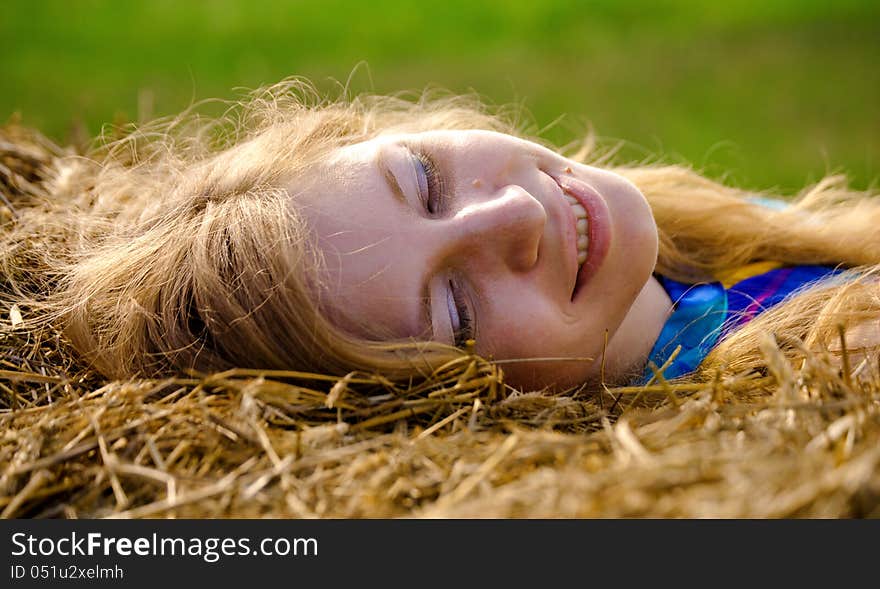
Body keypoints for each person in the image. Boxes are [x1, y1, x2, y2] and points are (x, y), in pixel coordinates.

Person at [2, 79, 879, 394]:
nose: (517, 217)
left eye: (425, 178)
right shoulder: (839, 373)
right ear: (449, 402)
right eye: (457, 308)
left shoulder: (701, 243)